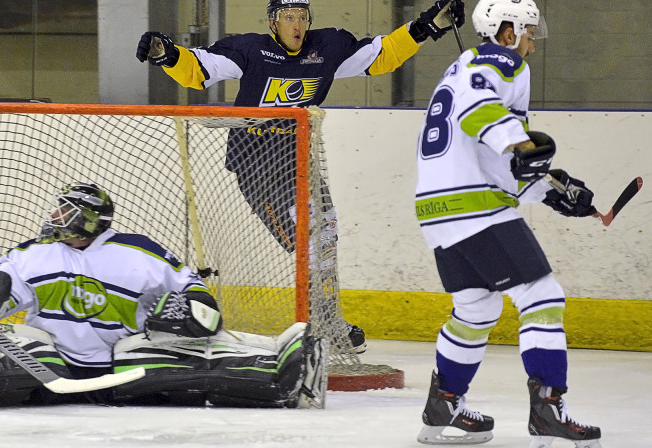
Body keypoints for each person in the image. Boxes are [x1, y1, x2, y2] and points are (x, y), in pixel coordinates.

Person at [135, 0, 467, 353]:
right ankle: (317, 324)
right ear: (272, 23)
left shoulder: (327, 48)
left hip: (299, 161)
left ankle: (327, 321)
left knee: (326, 234)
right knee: (308, 241)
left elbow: (379, 55)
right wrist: (166, 54)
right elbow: (201, 69)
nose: (296, 25)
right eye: (288, 18)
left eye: (302, 17)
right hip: (256, 165)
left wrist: (425, 26)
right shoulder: (251, 49)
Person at [0, 181, 327, 410]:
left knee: (172, 355)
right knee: (23, 344)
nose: (55, 215)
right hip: (54, 371)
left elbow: (196, 294)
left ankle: (285, 368)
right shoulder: (34, 254)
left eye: (65, 209)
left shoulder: (139, 252)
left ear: (88, 219)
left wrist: (191, 310)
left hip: (129, 370)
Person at [413, 1, 603, 446]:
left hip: (438, 210)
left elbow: (500, 158)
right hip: (474, 205)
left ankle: (443, 405)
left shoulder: (463, 68)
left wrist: (554, 192)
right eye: (529, 34)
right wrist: (518, 142)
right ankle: (547, 412)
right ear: (506, 31)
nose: (531, 45)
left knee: (477, 309)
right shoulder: (501, 59)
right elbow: (480, 115)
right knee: (542, 295)